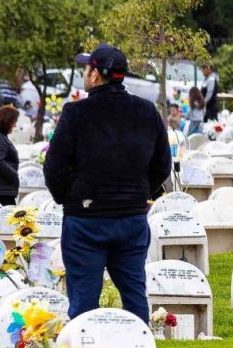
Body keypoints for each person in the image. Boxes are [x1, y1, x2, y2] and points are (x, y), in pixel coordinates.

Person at [44, 44, 171, 321]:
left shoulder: (76, 113)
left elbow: (54, 167)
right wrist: (137, 194)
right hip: (131, 218)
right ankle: (139, 345)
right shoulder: (147, 111)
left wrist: (70, 198)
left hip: (86, 220)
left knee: (83, 301)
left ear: (95, 75)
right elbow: (162, 164)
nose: (84, 73)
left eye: (86, 68)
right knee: (135, 296)